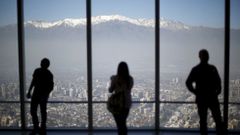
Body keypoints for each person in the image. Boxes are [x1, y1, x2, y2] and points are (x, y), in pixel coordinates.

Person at [186, 49, 224, 135]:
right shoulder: (212, 68)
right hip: (212, 97)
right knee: (217, 119)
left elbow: (188, 82)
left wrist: (195, 92)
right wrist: (218, 91)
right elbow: (218, 81)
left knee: (203, 121)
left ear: (199, 57)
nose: (206, 57)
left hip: (201, 98)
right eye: (205, 55)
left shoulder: (196, 69)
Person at [26, 58, 54, 135]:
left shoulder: (38, 71)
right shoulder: (49, 74)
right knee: (40, 112)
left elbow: (33, 81)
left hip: (38, 95)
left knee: (35, 111)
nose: (41, 64)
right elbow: (50, 87)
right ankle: (41, 128)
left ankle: (37, 127)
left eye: (42, 62)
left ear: (45, 64)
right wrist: (29, 91)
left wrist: (29, 91)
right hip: (40, 96)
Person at [108, 61, 134, 135]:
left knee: (119, 125)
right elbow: (129, 88)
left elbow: (110, 90)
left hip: (117, 104)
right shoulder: (130, 79)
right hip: (127, 104)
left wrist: (112, 80)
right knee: (123, 123)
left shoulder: (115, 78)